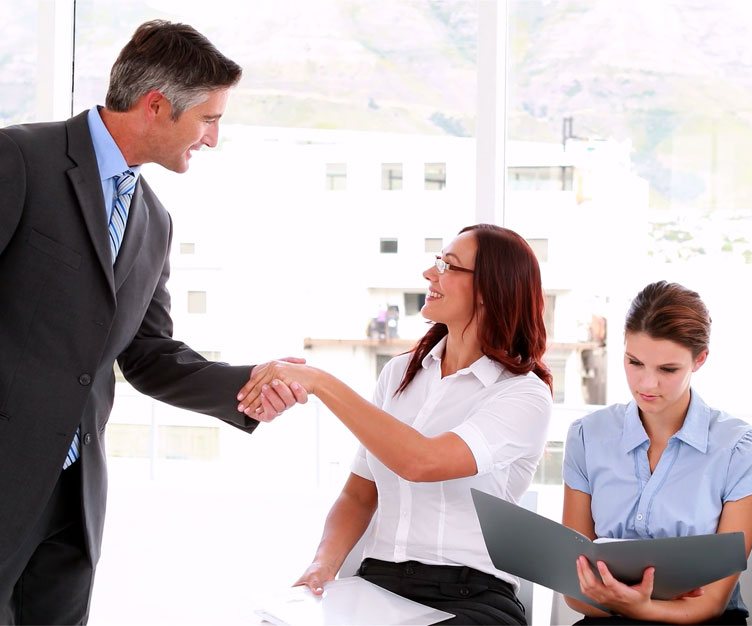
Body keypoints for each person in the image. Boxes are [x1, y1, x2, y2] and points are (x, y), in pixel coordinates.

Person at [0, 20, 305, 625]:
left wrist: (248, 385)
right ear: (157, 105)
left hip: (72, 493)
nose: (213, 139)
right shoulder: (19, 159)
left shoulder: (153, 221)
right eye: (208, 119)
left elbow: (147, 354)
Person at [240, 224, 554, 624]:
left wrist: (320, 382)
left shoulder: (522, 395)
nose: (430, 273)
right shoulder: (399, 374)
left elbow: (421, 462)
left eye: (448, 265)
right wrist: (322, 566)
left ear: (491, 289)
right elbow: (358, 495)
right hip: (378, 585)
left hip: (471, 596)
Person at [562, 281, 752, 625]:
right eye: (635, 362)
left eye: (667, 370)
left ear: (699, 360)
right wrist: (628, 606)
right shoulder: (588, 436)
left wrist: (640, 606)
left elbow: (713, 600)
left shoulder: (740, 448)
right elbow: (573, 586)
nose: (646, 384)